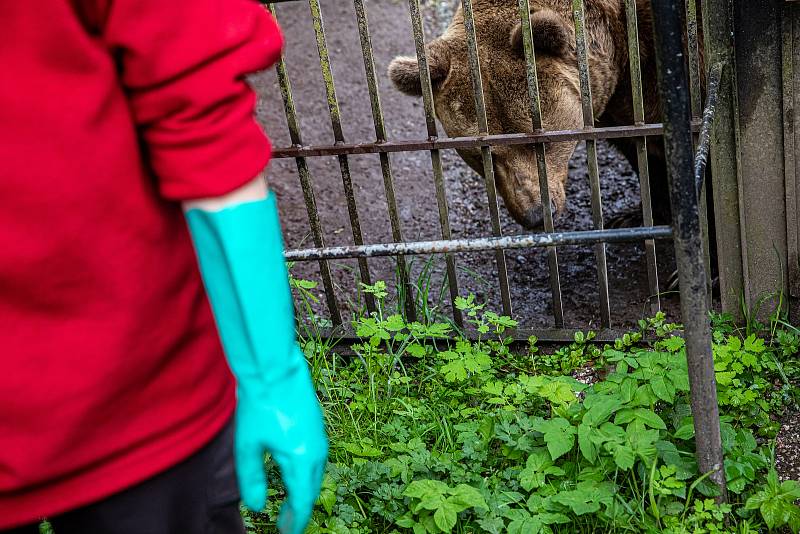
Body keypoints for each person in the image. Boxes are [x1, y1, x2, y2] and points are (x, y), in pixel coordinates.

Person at [0, 1, 328, 533]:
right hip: (137, 388)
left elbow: (195, 98)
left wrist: (270, 374)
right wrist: (272, 375)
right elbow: (198, 103)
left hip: (135, 393)